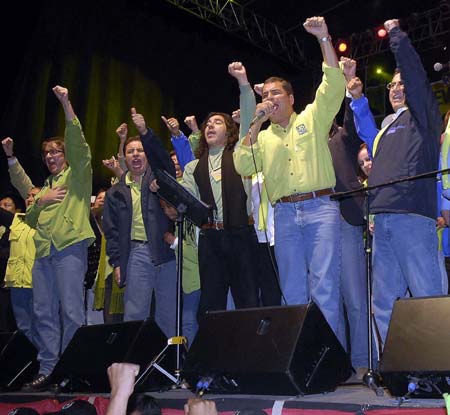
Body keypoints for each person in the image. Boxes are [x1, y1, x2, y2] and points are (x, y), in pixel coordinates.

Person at [233, 16, 345, 333]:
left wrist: (324, 39)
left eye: (276, 94)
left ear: (291, 98)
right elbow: (242, 164)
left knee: (323, 287)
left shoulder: (312, 116)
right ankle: (299, 362)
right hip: (283, 214)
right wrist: (254, 123)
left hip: (320, 208)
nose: (269, 99)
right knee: (292, 291)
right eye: (265, 95)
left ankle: (330, 359)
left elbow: (334, 85)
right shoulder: (262, 137)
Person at [348, 19, 443, 347]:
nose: (396, 88)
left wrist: (398, 40)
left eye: (401, 83)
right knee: (384, 303)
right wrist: (372, 211)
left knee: (427, 296)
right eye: (391, 85)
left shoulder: (424, 118)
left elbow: (416, 80)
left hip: (412, 216)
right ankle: (398, 371)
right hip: (383, 220)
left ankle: (439, 370)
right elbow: (367, 137)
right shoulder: (387, 127)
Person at [22, 85, 95, 391]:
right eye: (47, 153)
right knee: (42, 311)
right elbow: (30, 219)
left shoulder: (77, 175)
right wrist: (40, 200)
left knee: (71, 311)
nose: (51, 156)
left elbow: (77, 144)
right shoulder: (44, 188)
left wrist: (66, 103)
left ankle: (71, 368)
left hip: (69, 249)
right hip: (43, 253)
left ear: (66, 156)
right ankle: (48, 368)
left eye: (56, 151)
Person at [103, 108, 176, 338]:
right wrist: (116, 262)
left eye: (140, 150)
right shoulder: (116, 192)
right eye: (130, 151)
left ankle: (168, 369)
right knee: (135, 316)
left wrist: (144, 132)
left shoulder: (160, 179)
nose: (135, 155)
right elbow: (112, 232)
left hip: (166, 253)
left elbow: (163, 159)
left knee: (168, 316)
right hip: (135, 255)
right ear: (124, 157)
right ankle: (134, 368)